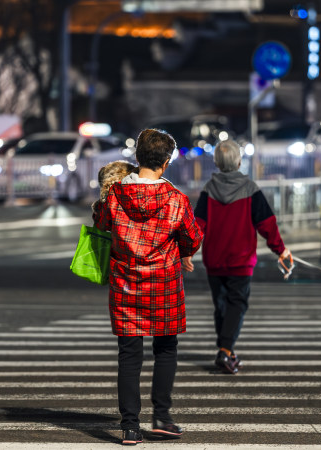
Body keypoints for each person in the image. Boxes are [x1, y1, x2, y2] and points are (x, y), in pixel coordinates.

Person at [93, 128, 203, 445]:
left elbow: (101, 225)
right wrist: (183, 253)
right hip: (164, 285)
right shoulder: (175, 200)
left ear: (137, 158)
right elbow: (192, 238)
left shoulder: (114, 196)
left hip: (126, 284)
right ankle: (162, 417)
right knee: (165, 350)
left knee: (129, 356)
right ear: (166, 163)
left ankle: (129, 426)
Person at [193, 140, 291, 374]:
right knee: (237, 303)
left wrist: (187, 252)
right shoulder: (250, 188)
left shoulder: (208, 189)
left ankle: (226, 349)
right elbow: (267, 224)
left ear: (216, 162)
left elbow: (197, 226)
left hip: (214, 259)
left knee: (221, 305)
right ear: (238, 161)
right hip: (241, 260)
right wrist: (281, 249)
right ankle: (225, 351)